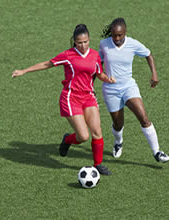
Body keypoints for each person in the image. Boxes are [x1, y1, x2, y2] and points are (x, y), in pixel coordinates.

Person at [12, 24, 116, 175]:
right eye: (79, 42)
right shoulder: (68, 55)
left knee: (97, 132)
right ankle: (67, 140)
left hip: (88, 97)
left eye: (85, 42)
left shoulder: (94, 55)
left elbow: (99, 73)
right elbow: (46, 64)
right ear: (74, 41)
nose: (83, 45)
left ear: (89, 40)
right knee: (83, 136)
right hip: (71, 98)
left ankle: (98, 164)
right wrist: (24, 71)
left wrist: (108, 79)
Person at [99, 18, 169, 162]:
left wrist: (154, 74)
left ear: (125, 32)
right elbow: (98, 64)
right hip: (110, 90)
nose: (117, 38)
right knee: (118, 125)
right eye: (114, 35)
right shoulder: (104, 44)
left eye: (120, 35)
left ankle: (157, 152)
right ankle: (118, 142)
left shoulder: (133, 44)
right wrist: (95, 81)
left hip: (128, 87)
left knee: (143, 118)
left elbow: (148, 54)